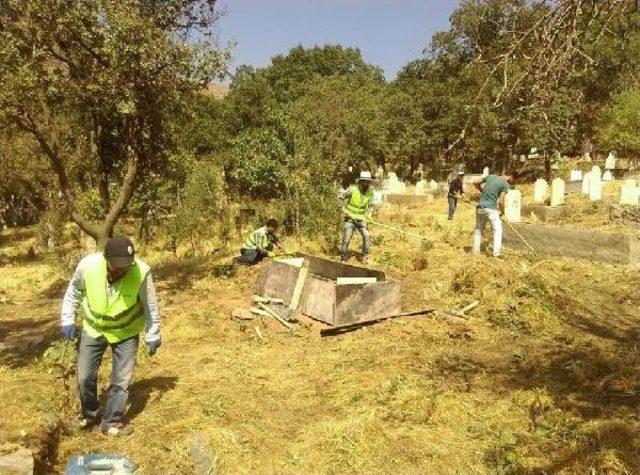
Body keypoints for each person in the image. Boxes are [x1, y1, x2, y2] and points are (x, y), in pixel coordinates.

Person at [60, 236, 161, 436]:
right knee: (84, 377)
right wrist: (67, 319)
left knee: (121, 381)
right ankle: (89, 414)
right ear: (106, 258)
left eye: (126, 265)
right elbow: (74, 292)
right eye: (118, 265)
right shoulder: (88, 266)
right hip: (94, 328)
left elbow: (150, 305)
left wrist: (153, 333)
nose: (123, 269)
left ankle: (112, 422)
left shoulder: (141, 271)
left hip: (126, 332)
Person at [472, 171, 517, 258]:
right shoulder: (505, 184)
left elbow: (475, 182)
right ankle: (496, 254)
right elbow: (501, 201)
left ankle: (475, 252)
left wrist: (481, 190)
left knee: (478, 231)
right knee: (497, 231)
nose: (511, 182)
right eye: (512, 180)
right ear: (511, 177)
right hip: (491, 209)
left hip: (480, 207)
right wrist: (503, 212)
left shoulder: (490, 176)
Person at [340, 171, 375, 263]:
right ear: (361, 181)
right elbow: (340, 198)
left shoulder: (370, 192)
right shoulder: (352, 189)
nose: (368, 184)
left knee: (366, 235)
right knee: (347, 238)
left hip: (361, 219)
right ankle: (343, 257)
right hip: (350, 219)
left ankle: (365, 256)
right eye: (366, 182)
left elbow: (371, 205)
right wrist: (345, 210)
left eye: (369, 182)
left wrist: (369, 216)